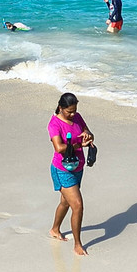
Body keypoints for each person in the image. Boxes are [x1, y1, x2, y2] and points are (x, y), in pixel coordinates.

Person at [48, 91, 95, 255]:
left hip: (77, 167)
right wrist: (77, 145)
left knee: (66, 202)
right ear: (61, 108)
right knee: (78, 205)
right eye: (69, 111)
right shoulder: (54, 124)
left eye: (75, 110)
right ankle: (77, 244)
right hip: (62, 170)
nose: (73, 114)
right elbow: (59, 148)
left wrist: (88, 137)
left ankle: (54, 229)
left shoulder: (77, 117)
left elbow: (88, 133)